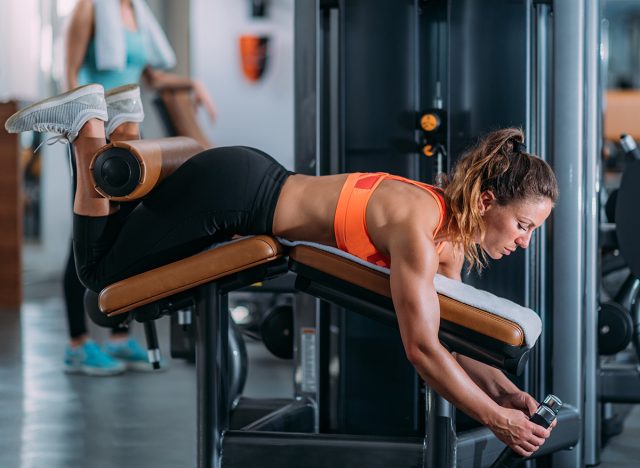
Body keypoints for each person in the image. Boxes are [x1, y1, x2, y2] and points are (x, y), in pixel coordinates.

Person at [5, 84, 558, 457]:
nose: (524, 241)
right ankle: (88, 131)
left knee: (120, 264)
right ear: (487, 201)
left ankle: (123, 118)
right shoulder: (418, 228)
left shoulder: (448, 240)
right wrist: (494, 420)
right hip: (233, 196)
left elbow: (451, 339)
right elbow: (421, 348)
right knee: (101, 279)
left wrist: (506, 394)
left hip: (246, 181)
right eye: (523, 226)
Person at [59, 0, 216, 375]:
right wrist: (86, 130)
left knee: (125, 234)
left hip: (130, 134)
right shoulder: (88, 9)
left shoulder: (138, 15)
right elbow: (69, 76)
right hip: (94, 137)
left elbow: (153, 79)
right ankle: (77, 344)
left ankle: (117, 336)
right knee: (85, 235)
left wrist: (192, 83)